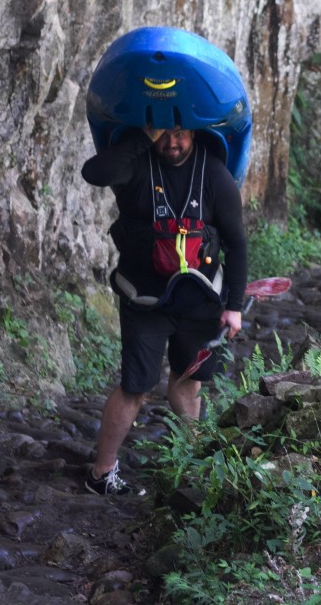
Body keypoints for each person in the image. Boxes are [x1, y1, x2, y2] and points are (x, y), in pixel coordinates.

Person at [80, 126, 248, 495]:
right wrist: (141, 137)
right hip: (145, 299)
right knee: (134, 387)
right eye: (164, 134)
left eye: (180, 134)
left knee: (187, 387)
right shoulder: (137, 164)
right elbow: (94, 174)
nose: (172, 143)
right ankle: (101, 473)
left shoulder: (214, 173)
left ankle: (194, 473)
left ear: (194, 132)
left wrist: (233, 307)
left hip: (201, 301)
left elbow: (236, 243)